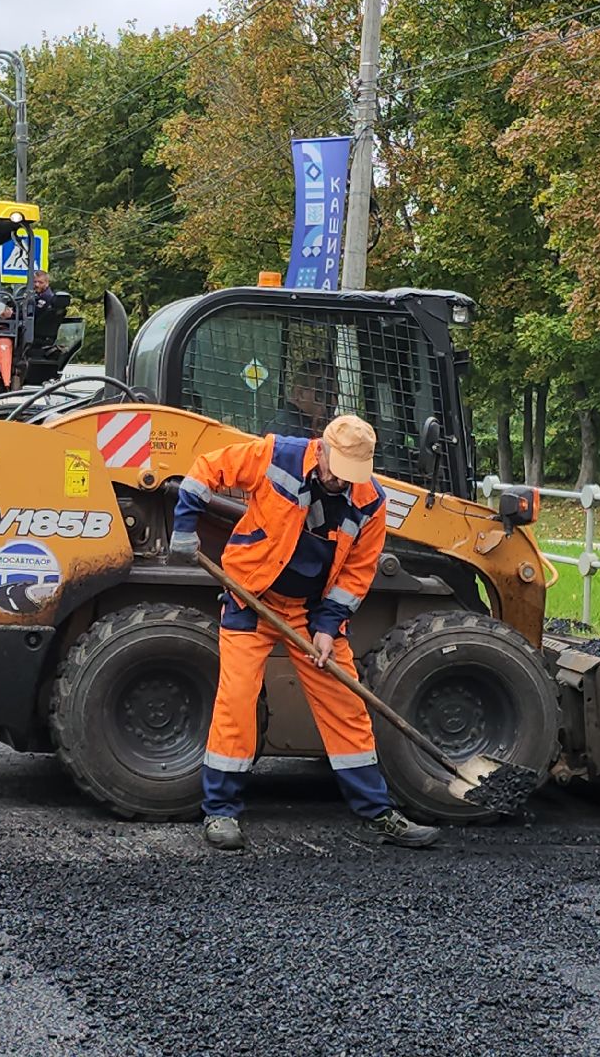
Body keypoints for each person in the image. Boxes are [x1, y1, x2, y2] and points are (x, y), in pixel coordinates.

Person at [168, 414, 439, 851]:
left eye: (350, 475)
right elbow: (206, 469)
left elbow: (357, 574)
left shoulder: (371, 501)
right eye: (335, 469)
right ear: (323, 449)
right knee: (236, 702)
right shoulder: (277, 456)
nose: (338, 481)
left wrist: (328, 628)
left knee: (345, 703)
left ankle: (377, 812)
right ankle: (220, 813)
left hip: (311, 614)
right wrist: (185, 527)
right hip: (250, 597)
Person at [265, 359, 334, 439]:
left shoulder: (279, 420)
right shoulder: (298, 432)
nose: (332, 401)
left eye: (335, 395)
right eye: (320, 394)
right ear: (300, 393)